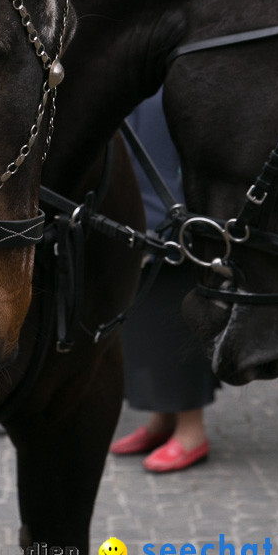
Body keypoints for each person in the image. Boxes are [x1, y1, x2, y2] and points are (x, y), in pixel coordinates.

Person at [109, 89, 219, 473]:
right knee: (141, 324)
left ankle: (191, 428)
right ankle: (163, 419)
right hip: (134, 211)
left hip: (176, 218)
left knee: (177, 315)